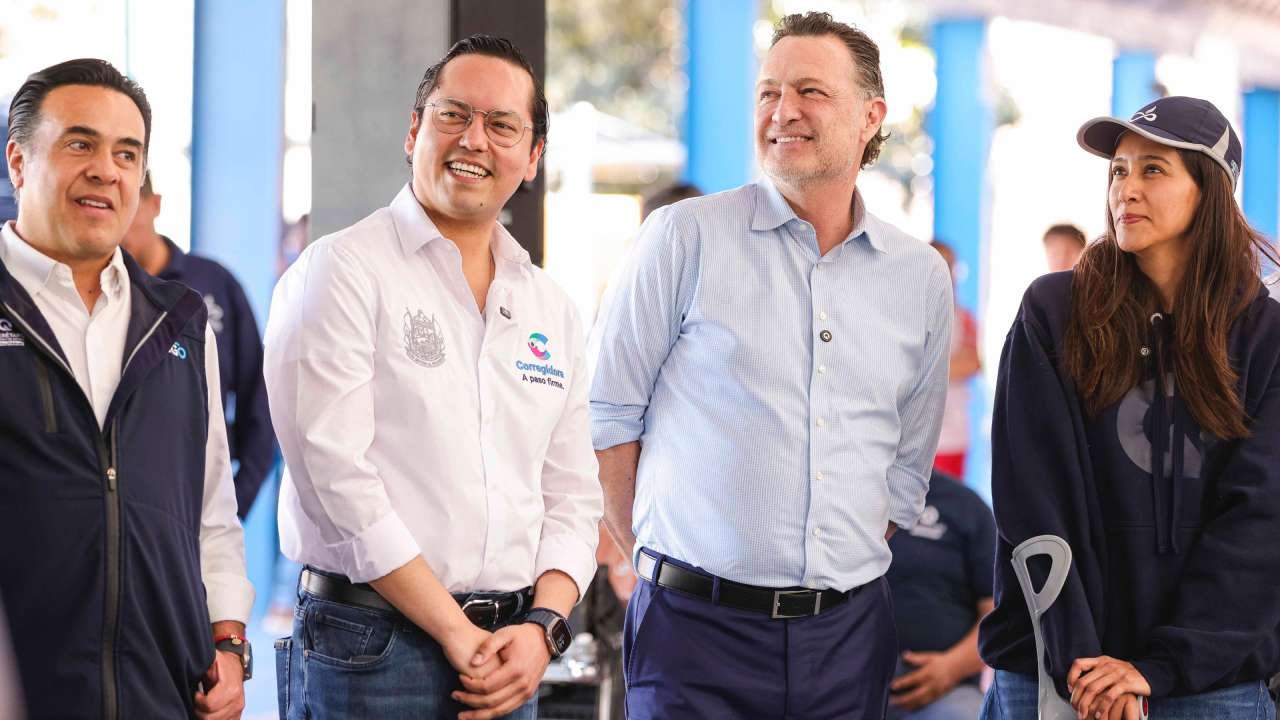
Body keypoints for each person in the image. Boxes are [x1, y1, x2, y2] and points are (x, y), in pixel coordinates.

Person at [590, 12, 952, 719]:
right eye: (768, 92)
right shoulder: (683, 237)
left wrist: (826, 570)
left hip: (847, 638)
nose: (783, 110)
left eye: (810, 90)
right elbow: (609, 417)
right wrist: (651, 559)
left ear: (871, 116)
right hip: (692, 634)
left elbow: (907, 465)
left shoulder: (919, 277)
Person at [265, 35, 602, 720]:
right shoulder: (342, 271)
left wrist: (544, 627)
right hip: (370, 647)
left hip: (512, 651)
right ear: (414, 129)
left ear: (533, 157)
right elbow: (335, 479)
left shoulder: (549, 306)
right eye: (453, 115)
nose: (474, 139)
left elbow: (572, 493)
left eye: (502, 125)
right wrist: (455, 630)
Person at [979, 96, 1280, 720]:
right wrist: (1085, 667)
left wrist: (1160, 667)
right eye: (1118, 169)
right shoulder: (1055, 313)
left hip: (1209, 684)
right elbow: (1032, 493)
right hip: (1052, 672)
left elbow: (1261, 522)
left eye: (1153, 169)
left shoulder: (1263, 337)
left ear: (1210, 189)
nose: (1126, 188)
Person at [0, 58, 253, 718]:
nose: (106, 171)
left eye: (126, 154)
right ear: (19, 162)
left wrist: (229, 645)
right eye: (79, 144)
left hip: (163, 694)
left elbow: (211, 510)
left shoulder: (180, 321)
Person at [121, 172, 275, 517]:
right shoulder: (104, 293)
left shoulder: (213, 284)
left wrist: (237, 502)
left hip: (201, 496)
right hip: (127, 498)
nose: (121, 230)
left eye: (131, 212)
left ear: (154, 205)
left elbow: (259, 396)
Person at [886, 470, 995, 720]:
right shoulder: (846, 497)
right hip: (848, 682)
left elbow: (998, 614)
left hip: (948, 691)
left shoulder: (967, 507)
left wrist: (951, 668)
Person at [930, 240, 981, 479]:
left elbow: (972, 364)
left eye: (949, 265)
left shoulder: (964, 318)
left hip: (952, 436)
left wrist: (927, 365)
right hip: (912, 435)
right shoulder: (904, 315)